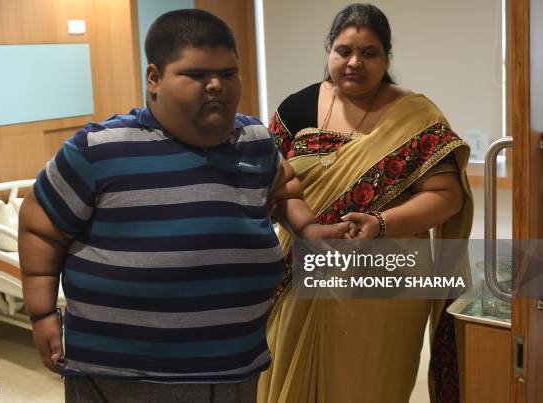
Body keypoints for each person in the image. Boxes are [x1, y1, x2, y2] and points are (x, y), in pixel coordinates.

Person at [19, 9, 355, 403]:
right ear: (155, 78)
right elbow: (39, 226)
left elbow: (285, 190)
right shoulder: (99, 149)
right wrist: (42, 314)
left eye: (228, 74)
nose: (216, 85)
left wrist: (310, 229)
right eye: (196, 75)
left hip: (235, 365)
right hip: (121, 376)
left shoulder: (255, 140)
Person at [257, 3, 473, 403]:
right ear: (329, 52)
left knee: (371, 380)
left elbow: (447, 197)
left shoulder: (415, 116)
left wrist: (380, 222)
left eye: (369, 53)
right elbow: (272, 185)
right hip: (301, 270)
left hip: (385, 279)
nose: (354, 62)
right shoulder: (296, 108)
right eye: (344, 51)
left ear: (387, 57)